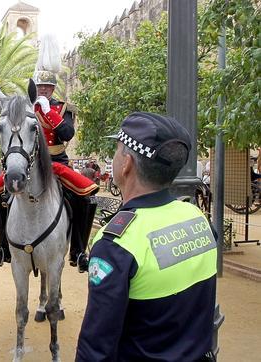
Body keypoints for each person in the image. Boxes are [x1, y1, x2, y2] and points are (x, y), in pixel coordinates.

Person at [76, 112, 217, 361]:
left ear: (127, 163)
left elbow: (96, 348)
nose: (115, 156)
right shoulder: (197, 218)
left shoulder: (116, 244)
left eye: (118, 149)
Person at [0, 35, 98, 270]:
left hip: (56, 161)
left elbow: (67, 134)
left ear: (54, 87)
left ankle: (78, 250)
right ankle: (4, 246)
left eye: (49, 87)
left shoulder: (62, 108)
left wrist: (50, 113)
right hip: (28, 163)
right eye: (41, 86)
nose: (45, 90)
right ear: (36, 87)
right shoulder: (24, 107)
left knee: (85, 196)